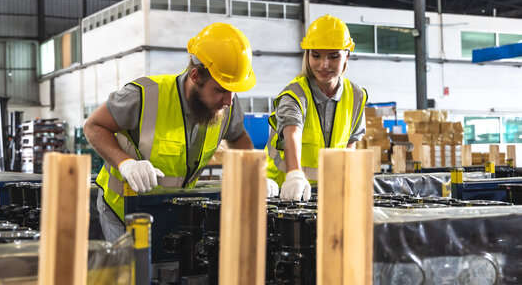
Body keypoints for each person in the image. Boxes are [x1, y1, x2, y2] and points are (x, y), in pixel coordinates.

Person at [85, 23, 257, 242]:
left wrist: (254, 176)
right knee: (133, 275)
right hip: (124, 212)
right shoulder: (144, 96)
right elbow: (94, 126)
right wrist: (126, 164)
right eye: (220, 89)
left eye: (233, 90)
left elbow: (239, 138)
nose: (228, 100)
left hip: (175, 212)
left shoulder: (226, 105)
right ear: (195, 76)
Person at [265, 15, 367, 201]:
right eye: (316, 55)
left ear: (347, 55)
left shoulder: (356, 96)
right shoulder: (294, 94)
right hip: (281, 192)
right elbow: (291, 134)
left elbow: (350, 143)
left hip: (326, 194)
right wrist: (294, 174)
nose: (324, 64)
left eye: (333, 56)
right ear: (308, 54)